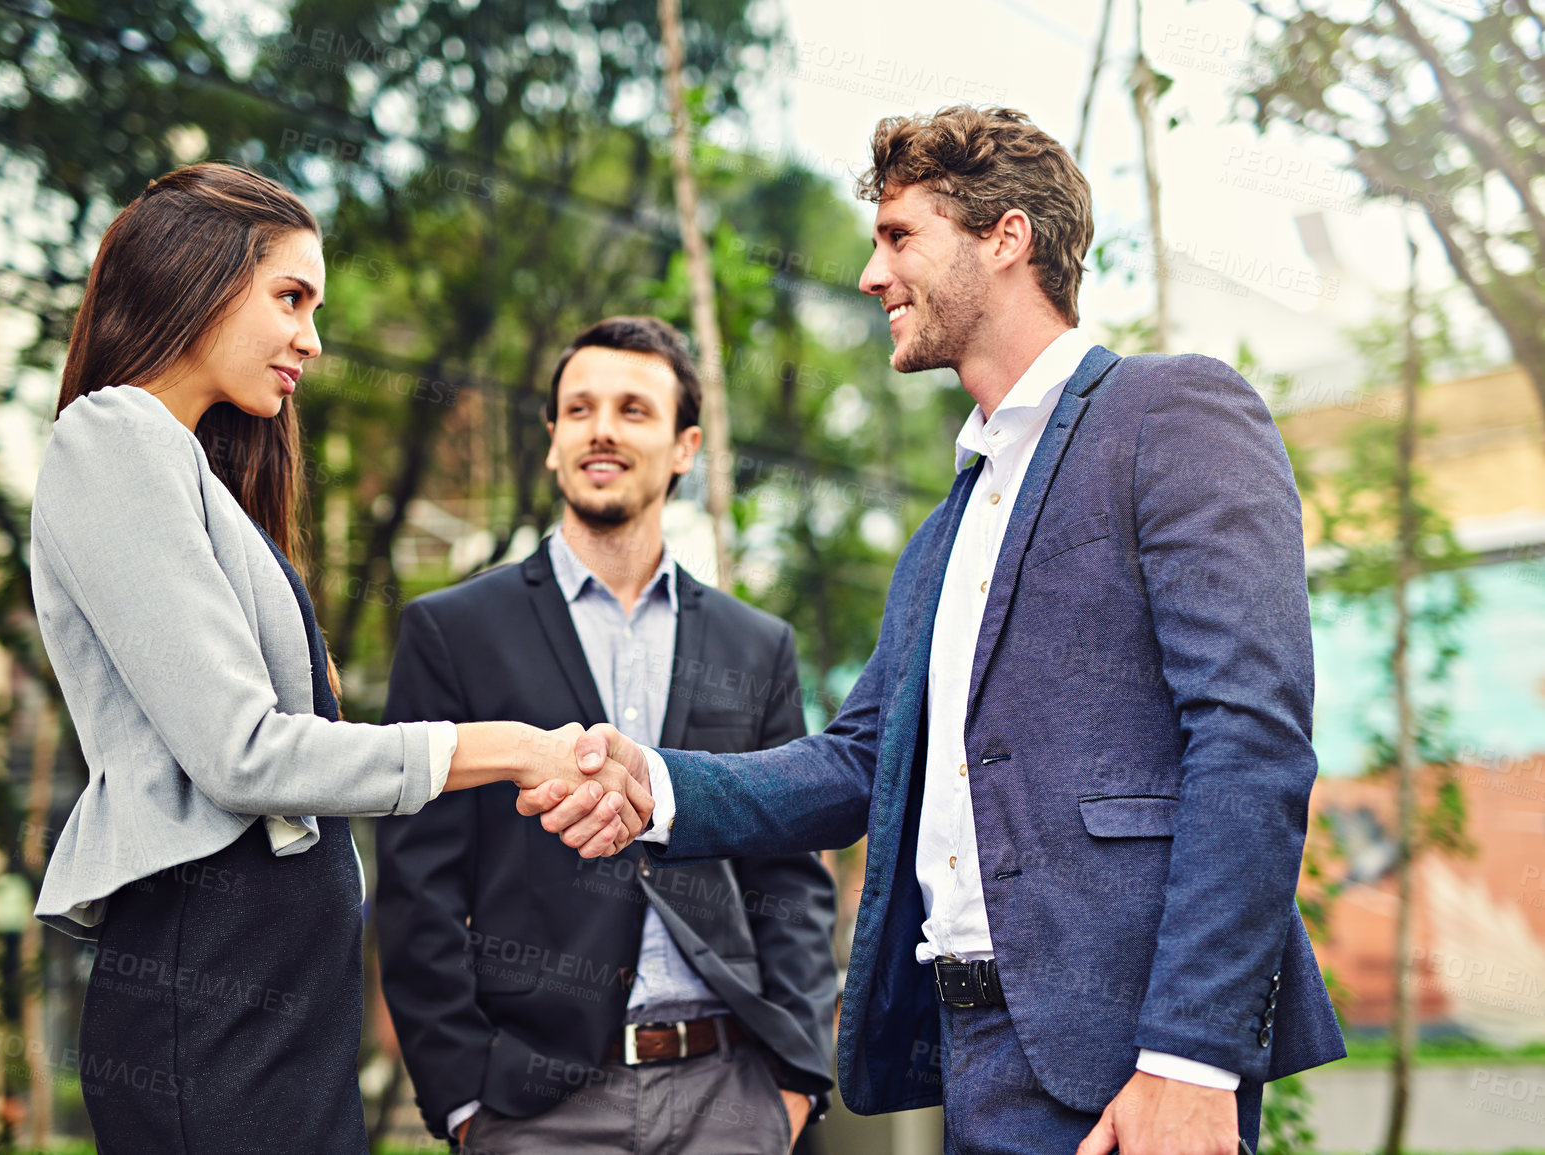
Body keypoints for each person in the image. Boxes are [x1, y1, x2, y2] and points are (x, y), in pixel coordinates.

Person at [524, 107, 1347, 1154]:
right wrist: (660, 783)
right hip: (974, 1051)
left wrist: (1190, 1060)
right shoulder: (943, 532)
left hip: (1132, 1060)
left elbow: (1251, 736)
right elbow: (862, 761)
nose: (872, 274)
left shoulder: (1172, 413)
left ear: (1006, 238)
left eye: (900, 236)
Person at [28, 163, 650, 1154]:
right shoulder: (112, 440)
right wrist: (515, 750)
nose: (311, 340)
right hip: (212, 1000)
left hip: (279, 1004)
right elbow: (245, 754)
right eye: (291, 298)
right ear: (199, 277)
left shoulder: (194, 470)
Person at [375, 316, 839, 1154]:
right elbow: (417, 886)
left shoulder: (754, 643)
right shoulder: (452, 632)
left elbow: (793, 875)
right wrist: (463, 1100)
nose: (602, 429)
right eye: (579, 409)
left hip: (731, 1095)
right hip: (535, 1108)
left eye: (634, 409)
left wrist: (796, 1081)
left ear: (684, 446)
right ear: (552, 440)